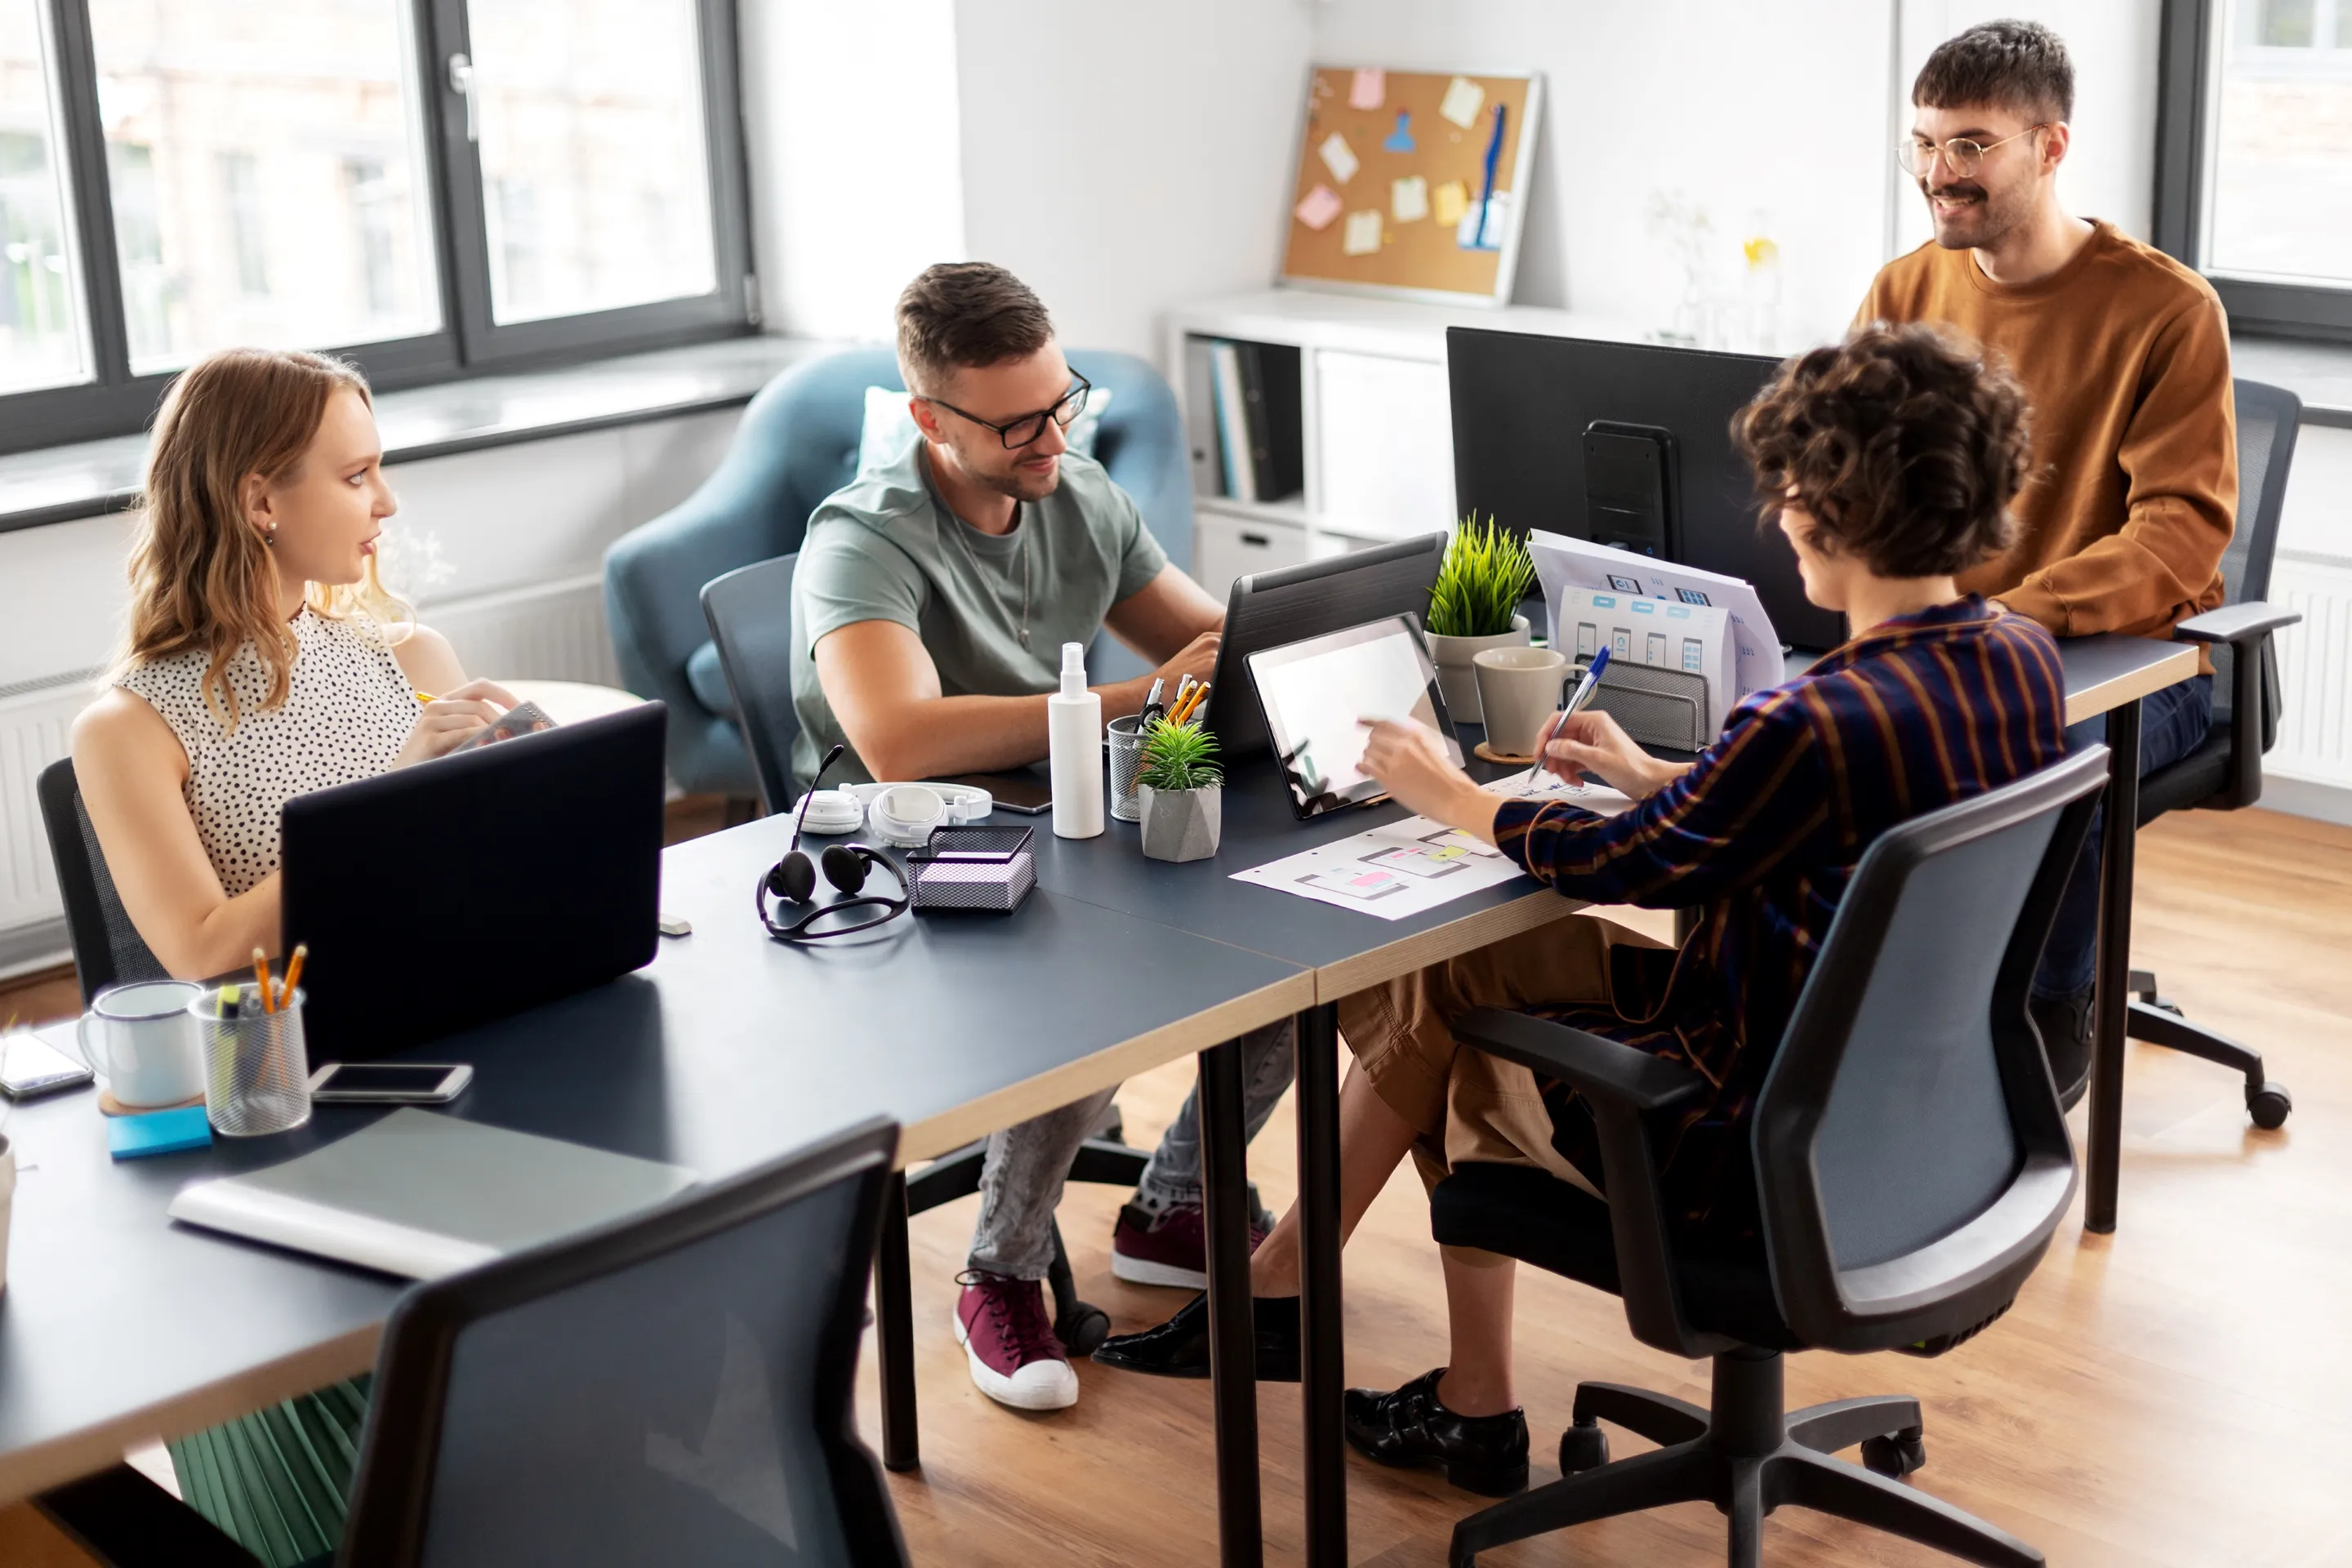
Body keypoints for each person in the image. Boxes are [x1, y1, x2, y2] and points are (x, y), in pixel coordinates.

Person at [1099, 323, 2072, 1497]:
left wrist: (1456, 798)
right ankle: (1331, 1315)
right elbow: (1828, 817)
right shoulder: (2017, 659)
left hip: (1750, 1141)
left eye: (1788, 491)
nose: (1777, 514)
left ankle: (1400, 1360)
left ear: (1834, 509)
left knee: (1460, 1030)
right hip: (1912, 1111)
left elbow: (1626, 863)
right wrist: (1661, 775)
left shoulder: (1807, 722)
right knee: (1445, 975)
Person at [792, 261, 1293, 1413]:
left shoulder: (1078, 490)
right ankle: (999, 1273)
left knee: (1290, 925)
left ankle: (1179, 1205)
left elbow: (1205, 646)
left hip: (1057, 814)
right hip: (895, 851)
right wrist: (1135, 698)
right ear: (930, 420)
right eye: (1017, 422)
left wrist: (1290, 646)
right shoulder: (861, 541)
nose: (1052, 437)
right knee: (1098, 970)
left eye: (1061, 401)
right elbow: (899, 742)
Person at [70, 347, 514, 1567]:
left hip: (450, 1061)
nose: (388, 502)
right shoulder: (130, 724)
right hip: (282, 1117)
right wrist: (394, 796)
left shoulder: (406, 657)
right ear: (258, 498)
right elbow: (203, 947)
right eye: (358, 475)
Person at [1862, 18, 2235, 1104]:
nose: (1939, 173)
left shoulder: (2167, 309)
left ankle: (2049, 1011)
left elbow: (2180, 531)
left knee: (2041, 747)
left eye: (1971, 145)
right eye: (1924, 144)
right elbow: (1846, 470)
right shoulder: (1902, 294)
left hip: (2135, 657)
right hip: (1958, 636)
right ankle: (1871, 1010)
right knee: (1808, 718)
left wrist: (2016, 615)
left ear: (2051, 146)